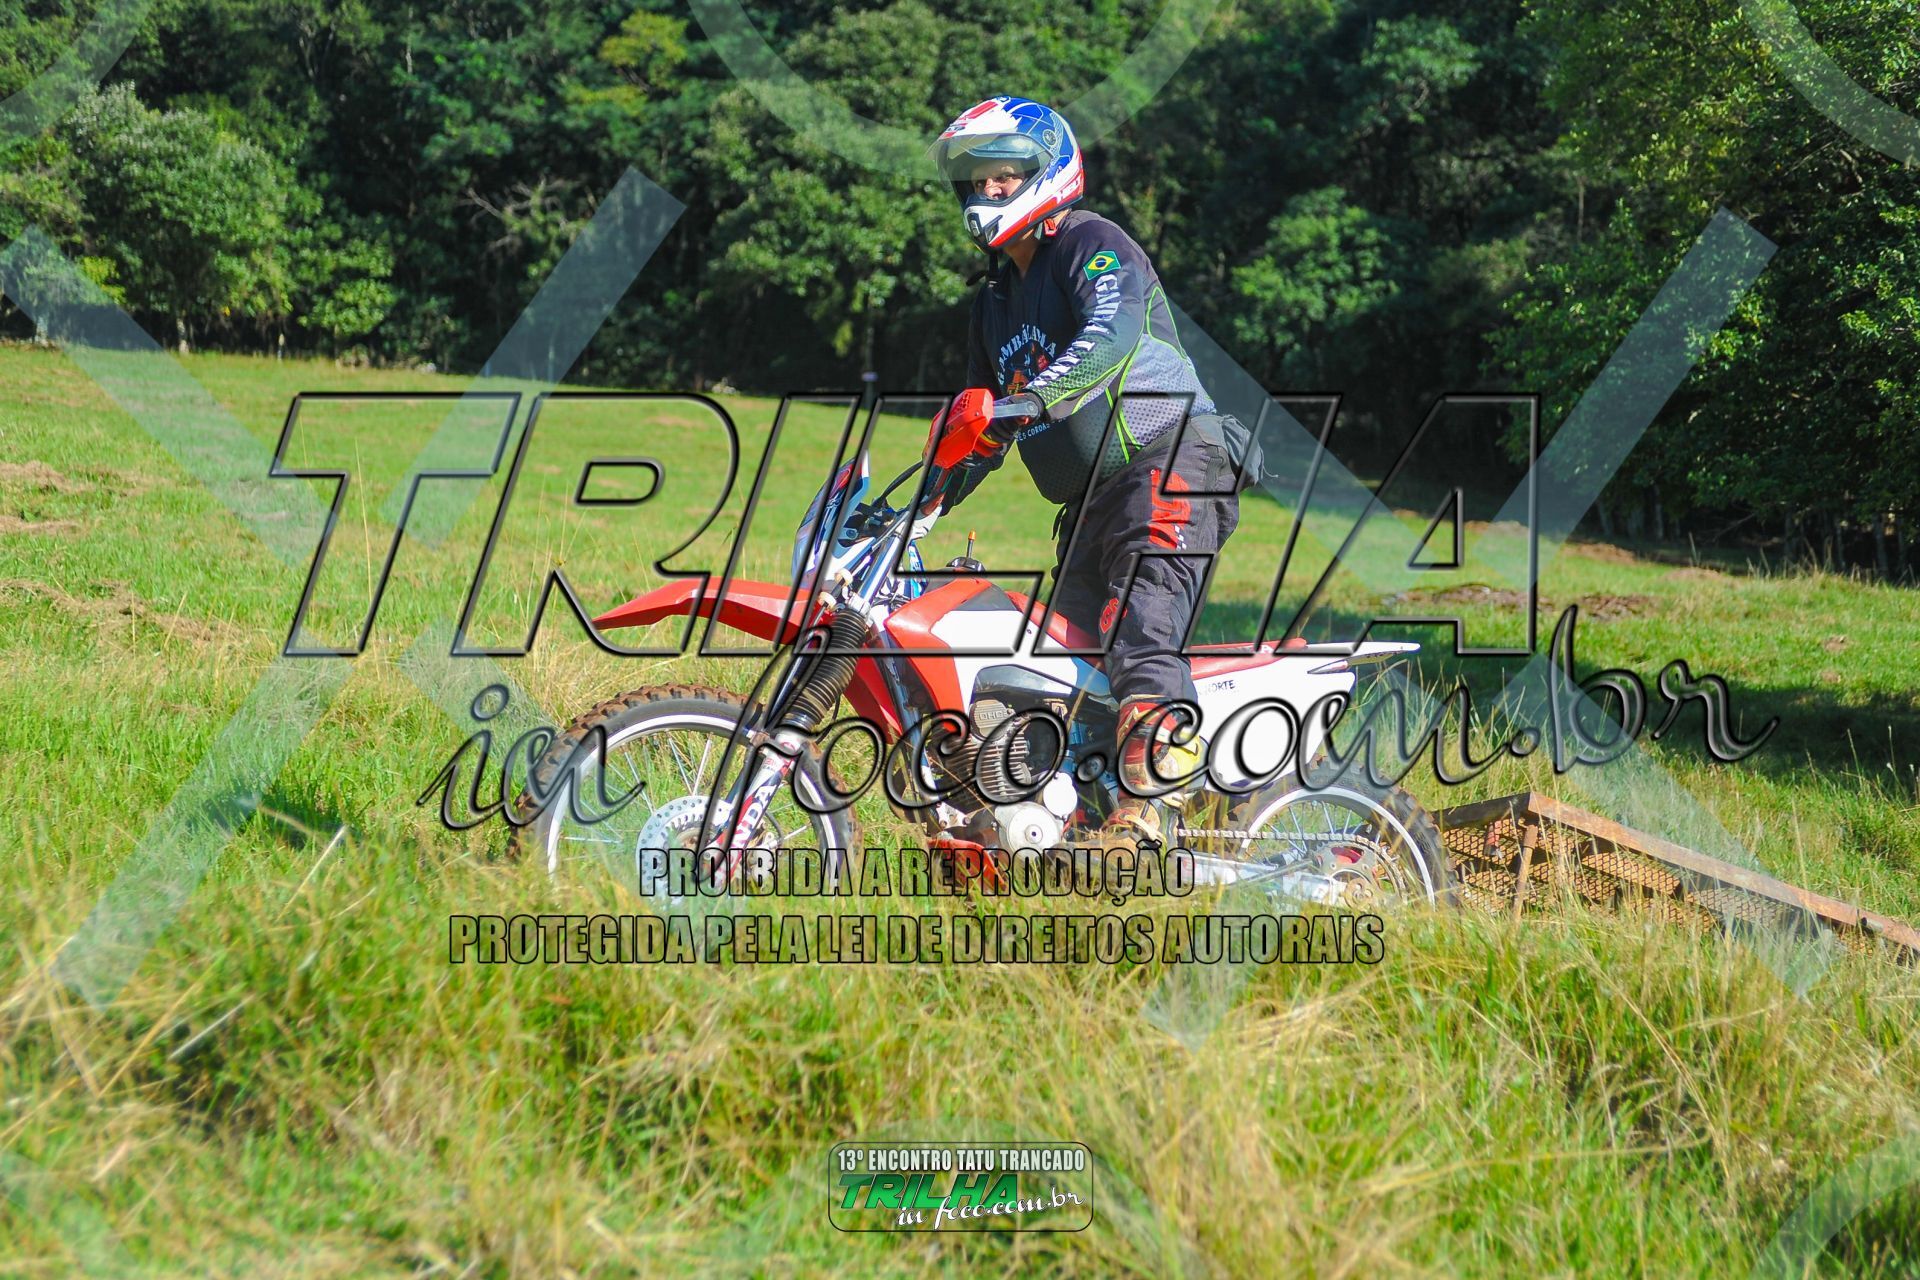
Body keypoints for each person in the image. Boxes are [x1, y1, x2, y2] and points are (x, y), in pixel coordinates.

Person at [929, 95, 1260, 847]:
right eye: (975, 179)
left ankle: (1150, 811)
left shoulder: (1092, 243)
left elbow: (1110, 334)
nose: (986, 190)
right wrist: (913, 509)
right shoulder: (994, 303)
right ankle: (1065, 820)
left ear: (1048, 171)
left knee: (1141, 628)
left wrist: (1032, 398)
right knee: (1058, 663)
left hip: (1172, 457)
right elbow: (979, 431)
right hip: (1089, 501)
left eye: (1003, 175)